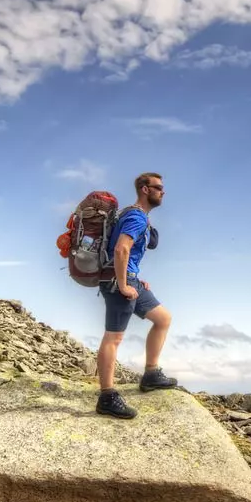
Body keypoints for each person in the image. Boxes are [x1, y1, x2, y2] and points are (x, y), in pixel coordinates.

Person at [96, 171, 175, 418]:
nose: (163, 191)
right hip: (118, 282)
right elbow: (121, 249)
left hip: (130, 279)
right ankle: (107, 397)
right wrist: (122, 284)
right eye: (159, 187)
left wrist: (134, 280)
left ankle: (151, 374)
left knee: (163, 319)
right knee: (113, 337)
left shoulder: (135, 215)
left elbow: (123, 253)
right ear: (144, 189)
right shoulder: (136, 217)